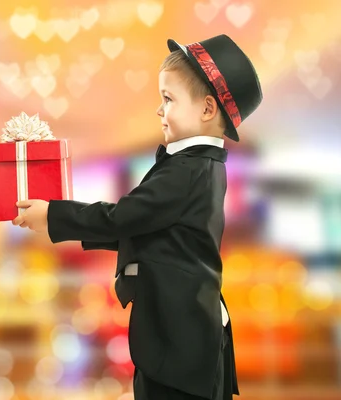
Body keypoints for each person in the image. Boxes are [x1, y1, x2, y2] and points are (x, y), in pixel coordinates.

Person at [13, 34, 262, 400]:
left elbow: (124, 217)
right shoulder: (201, 167)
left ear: (208, 110)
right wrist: (55, 221)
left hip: (180, 342)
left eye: (168, 99)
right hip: (187, 336)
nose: (159, 110)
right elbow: (142, 227)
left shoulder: (187, 171)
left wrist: (54, 215)